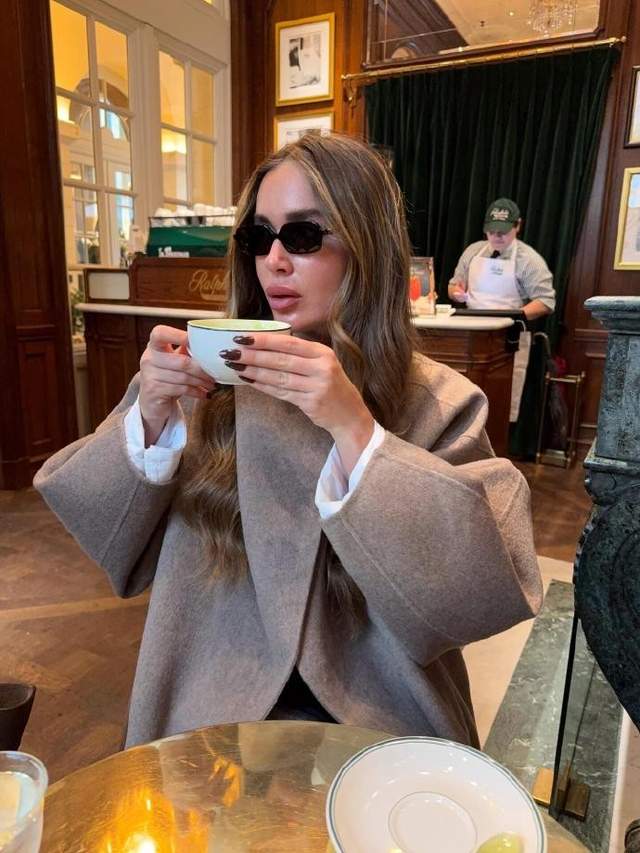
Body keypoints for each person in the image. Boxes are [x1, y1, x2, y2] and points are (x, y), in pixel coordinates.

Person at [34, 135, 542, 750]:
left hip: (379, 708)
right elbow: (109, 537)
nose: (273, 260)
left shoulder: (437, 400)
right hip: (208, 691)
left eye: (302, 236)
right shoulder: (208, 382)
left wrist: (355, 431)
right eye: (258, 236)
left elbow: (470, 600)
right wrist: (150, 416)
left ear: (368, 246)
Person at [448, 198, 556, 422]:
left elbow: (545, 301)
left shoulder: (529, 260)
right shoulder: (473, 252)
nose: (497, 237)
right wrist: (456, 292)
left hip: (508, 337)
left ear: (518, 226)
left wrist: (513, 317)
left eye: (503, 232)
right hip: (470, 332)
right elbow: (453, 285)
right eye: (492, 231)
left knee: (499, 402)